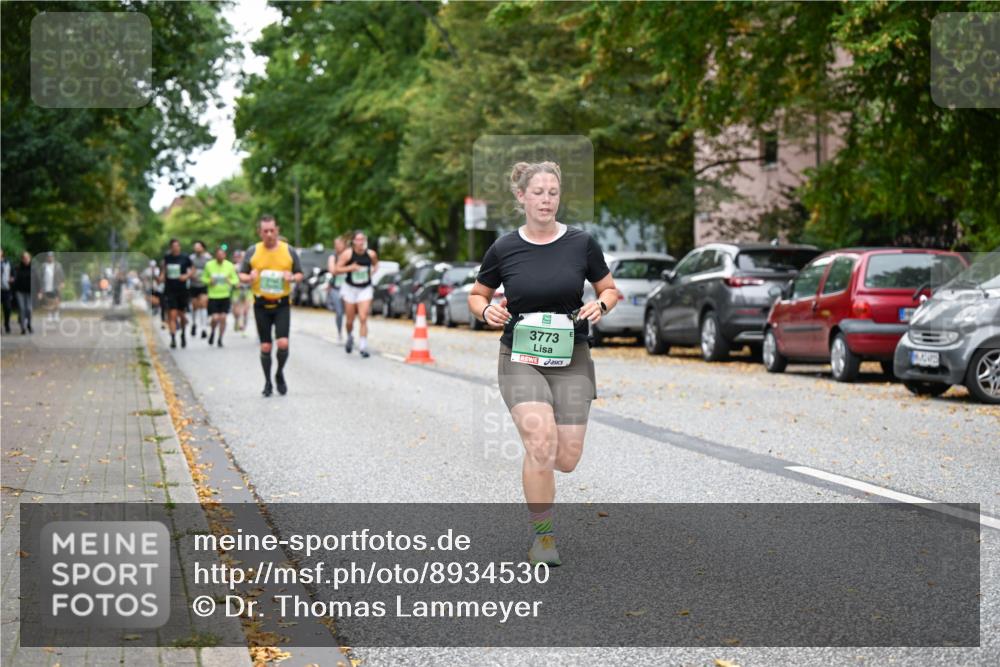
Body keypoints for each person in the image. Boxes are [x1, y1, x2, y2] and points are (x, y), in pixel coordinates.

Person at [467, 161, 618, 566]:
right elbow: (477, 294)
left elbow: (609, 289)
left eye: (553, 192)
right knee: (540, 442)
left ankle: (541, 470)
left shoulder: (581, 243)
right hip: (520, 356)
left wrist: (600, 304)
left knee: (566, 458)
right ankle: (544, 539)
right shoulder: (504, 247)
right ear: (522, 197)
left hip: (571, 356)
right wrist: (486, 312)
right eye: (538, 192)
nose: (546, 199)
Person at [238, 215, 304, 396]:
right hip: (261, 304)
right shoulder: (253, 251)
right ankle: (267, 382)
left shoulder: (288, 250)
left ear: (277, 230)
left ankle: (279, 373)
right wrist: (249, 277)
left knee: (282, 342)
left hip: (282, 304)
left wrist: (292, 277)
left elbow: (299, 273)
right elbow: (241, 275)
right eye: (265, 231)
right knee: (266, 346)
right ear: (260, 232)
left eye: (272, 230)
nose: (269, 234)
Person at [336, 230, 378, 358]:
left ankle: (363, 346)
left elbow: (376, 265)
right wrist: (350, 268)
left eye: (362, 239)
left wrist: (371, 273)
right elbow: (337, 269)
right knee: (350, 320)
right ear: (353, 242)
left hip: (365, 288)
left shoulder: (371, 254)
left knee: (363, 317)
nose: (361, 242)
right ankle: (349, 336)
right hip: (350, 288)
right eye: (358, 240)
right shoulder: (347, 254)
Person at [202, 244, 240, 347]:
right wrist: (210, 281)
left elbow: (235, 279)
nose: (220, 256)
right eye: (218, 254)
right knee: (215, 318)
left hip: (225, 295)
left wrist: (230, 281)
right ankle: (213, 331)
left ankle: (220, 338)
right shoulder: (209, 265)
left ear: (225, 255)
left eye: (222, 254)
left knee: (223, 318)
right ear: (216, 255)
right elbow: (203, 278)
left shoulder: (229, 265)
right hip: (213, 296)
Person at [160, 239, 193, 349]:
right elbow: (164, 271)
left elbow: (193, 270)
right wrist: (161, 278)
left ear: (180, 247)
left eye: (177, 246)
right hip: (170, 290)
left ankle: (183, 333)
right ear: (170, 247)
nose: (175, 248)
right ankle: (173, 338)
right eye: (173, 246)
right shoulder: (167, 258)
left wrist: (186, 276)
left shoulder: (185, 258)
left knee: (181, 315)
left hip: (182, 290)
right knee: (172, 314)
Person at [325, 235, 348, 344]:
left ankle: (350, 334)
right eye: (335, 244)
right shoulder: (333, 257)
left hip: (348, 288)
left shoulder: (349, 255)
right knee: (339, 312)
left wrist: (340, 269)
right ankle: (339, 333)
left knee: (349, 312)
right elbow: (332, 270)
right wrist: (348, 269)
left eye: (339, 244)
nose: (337, 246)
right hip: (336, 288)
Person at [188, 240, 212, 338]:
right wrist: (190, 274)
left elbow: (212, 269)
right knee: (194, 306)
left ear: (203, 248)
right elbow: (187, 269)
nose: (197, 248)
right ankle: (194, 324)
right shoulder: (191, 258)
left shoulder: (208, 258)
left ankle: (204, 328)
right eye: (195, 247)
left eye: (199, 246)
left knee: (203, 305)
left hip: (203, 285)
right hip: (193, 285)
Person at [35, 251, 64, 322]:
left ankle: (56, 314)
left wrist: (62, 283)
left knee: (57, 300)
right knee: (49, 301)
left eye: (51, 256)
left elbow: (62, 275)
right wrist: (41, 287)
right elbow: (41, 277)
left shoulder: (58, 265)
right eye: (49, 256)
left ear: (53, 257)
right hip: (47, 285)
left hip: (56, 285)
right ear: (47, 257)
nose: (50, 258)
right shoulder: (43, 266)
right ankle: (50, 315)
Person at [231, 249, 251, 336]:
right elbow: (229, 278)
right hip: (237, 291)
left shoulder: (250, 266)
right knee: (236, 311)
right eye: (237, 257)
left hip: (247, 290)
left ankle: (244, 329)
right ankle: (236, 321)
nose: (240, 258)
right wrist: (235, 283)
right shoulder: (233, 267)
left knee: (246, 310)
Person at [13, 251, 34, 334]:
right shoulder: (17, 268)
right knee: (22, 309)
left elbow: (37, 280)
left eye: (27, 258)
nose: (26, 260)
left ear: (30, 259)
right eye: (24, 258)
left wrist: (40, 291)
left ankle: (29, 324)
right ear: (22, 259)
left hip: (30, 292)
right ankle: (23, 327)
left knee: (29, 309)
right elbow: (14, 279)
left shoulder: (33, 268)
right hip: (19, 291)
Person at [1, 248, 12, 334]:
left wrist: (13, 278)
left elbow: (13, 272)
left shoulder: (7, 262)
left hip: (6, 289)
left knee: (7, 308)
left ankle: (7, 324)